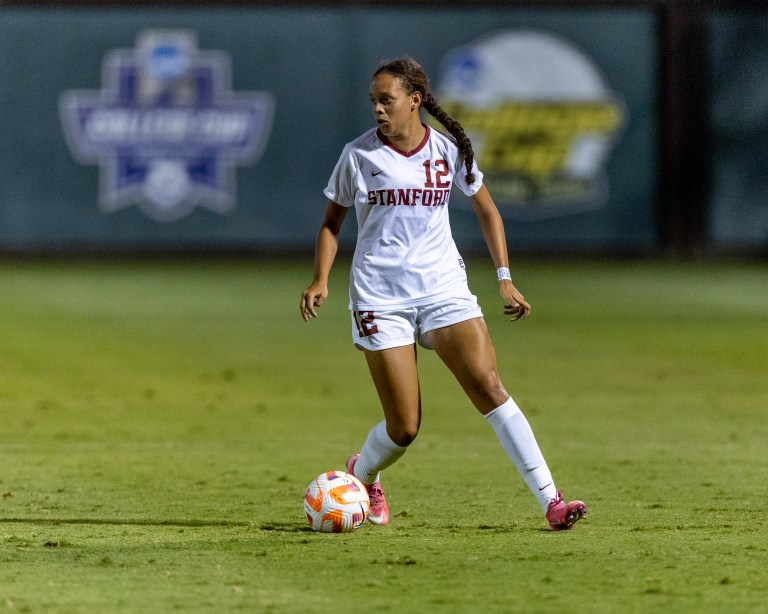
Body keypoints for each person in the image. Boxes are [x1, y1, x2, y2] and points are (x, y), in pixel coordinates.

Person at [300, 56, 586, 531]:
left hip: (442, 288)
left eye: (386, 100)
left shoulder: (449, 151)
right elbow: (332, 225)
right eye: (373, 101)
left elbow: (488, 212)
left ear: (415, 100)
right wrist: (320, 279)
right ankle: (364, 473)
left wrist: (504, 277)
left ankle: (552, 501)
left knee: (489, 387)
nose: (377, 109)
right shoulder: (358, 155)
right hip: (379, 296)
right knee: (405, 427)